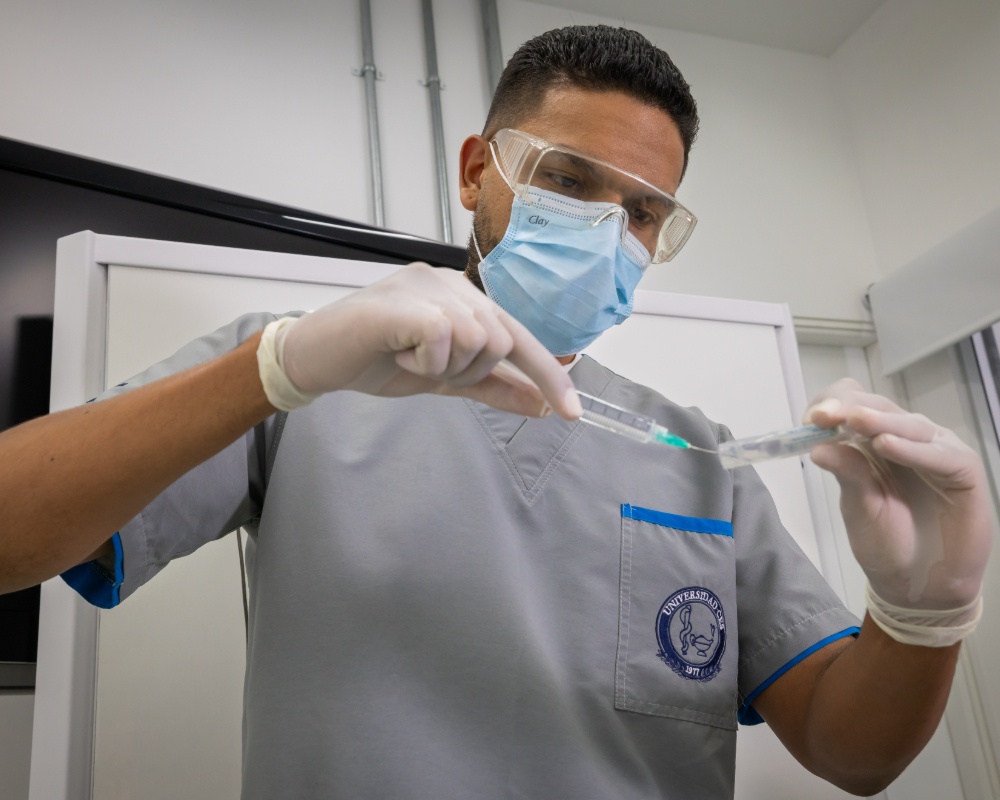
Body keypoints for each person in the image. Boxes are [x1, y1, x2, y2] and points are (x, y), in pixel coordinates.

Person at [0, 26, 992, 800]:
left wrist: (922, 608)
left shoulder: (699, 456)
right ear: (479, 169)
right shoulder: (303, 377)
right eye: (565, 179)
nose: (607, 228)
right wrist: (274, 369)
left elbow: (848, 749)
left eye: (643, 210)